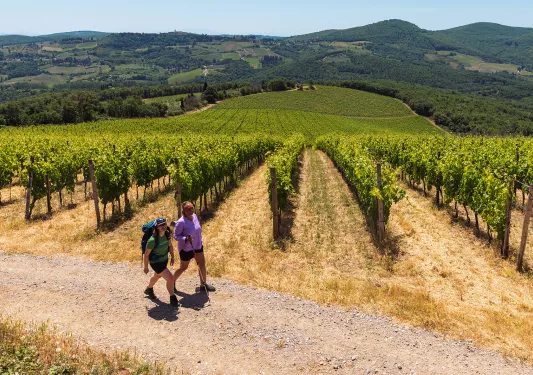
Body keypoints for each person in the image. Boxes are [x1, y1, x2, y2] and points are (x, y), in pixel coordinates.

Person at [173, 201, 216, 293]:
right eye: (187, 209)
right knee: (183, 268)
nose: (190, 210)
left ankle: (203, 285)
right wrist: (185, 238)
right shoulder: (181, 222)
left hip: (198, 246)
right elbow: (176, 236)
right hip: (186, 249)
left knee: (202, 264)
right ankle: (171, 282)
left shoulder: (195, 217)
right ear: (183, 211)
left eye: (191, 208)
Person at [143, 217, 178, 307]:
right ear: (156, 227)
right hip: (156, 263)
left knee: (157, 276)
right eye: (160, 225)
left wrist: (173, 257)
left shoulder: (167, 234)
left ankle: (149, 289)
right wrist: (146, 267)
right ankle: (172, 297)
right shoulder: (152, 240)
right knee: (170, 278)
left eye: (164, 224)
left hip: (164, 260)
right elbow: (146, 255)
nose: (163, 226)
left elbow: (170, 246)